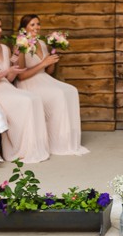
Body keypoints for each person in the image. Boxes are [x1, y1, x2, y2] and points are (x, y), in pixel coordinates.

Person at [0, 15, 49, 164]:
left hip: (6, 87)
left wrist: (14, 70)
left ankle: (32, 148)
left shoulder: (4, 48)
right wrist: (4, 72)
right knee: (26, 101)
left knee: (34, 99)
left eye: (0, 26)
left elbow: (9, 79)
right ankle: (18, 149)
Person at [15, 15, 88, 155]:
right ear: (24, 28)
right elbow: (21, 75)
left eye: (38, 24)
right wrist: (43, 63)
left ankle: (68, 140)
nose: (37, 27)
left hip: (45, 79)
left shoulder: (42, 44)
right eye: (32, 24)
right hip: (29, 82)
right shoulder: (20, 45)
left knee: (71, 90)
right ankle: (57, 142)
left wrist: (53, 57)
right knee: (58, 94)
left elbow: (48, 71)